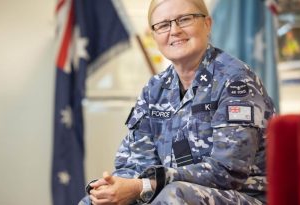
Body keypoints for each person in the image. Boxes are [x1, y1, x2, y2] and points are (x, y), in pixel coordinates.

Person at [79, 0, 275, 204]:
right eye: (163, 25)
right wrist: (113, 188)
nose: (174, 30)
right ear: (154, 35)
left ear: (207, 24)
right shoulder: (154, 89)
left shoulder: (236, 82)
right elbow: (134, 163)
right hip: (169, 194)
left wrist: (144, 186)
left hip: (245, 197)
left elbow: (228, 172)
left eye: (184, 19)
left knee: (173, 196)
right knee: (92, 202)